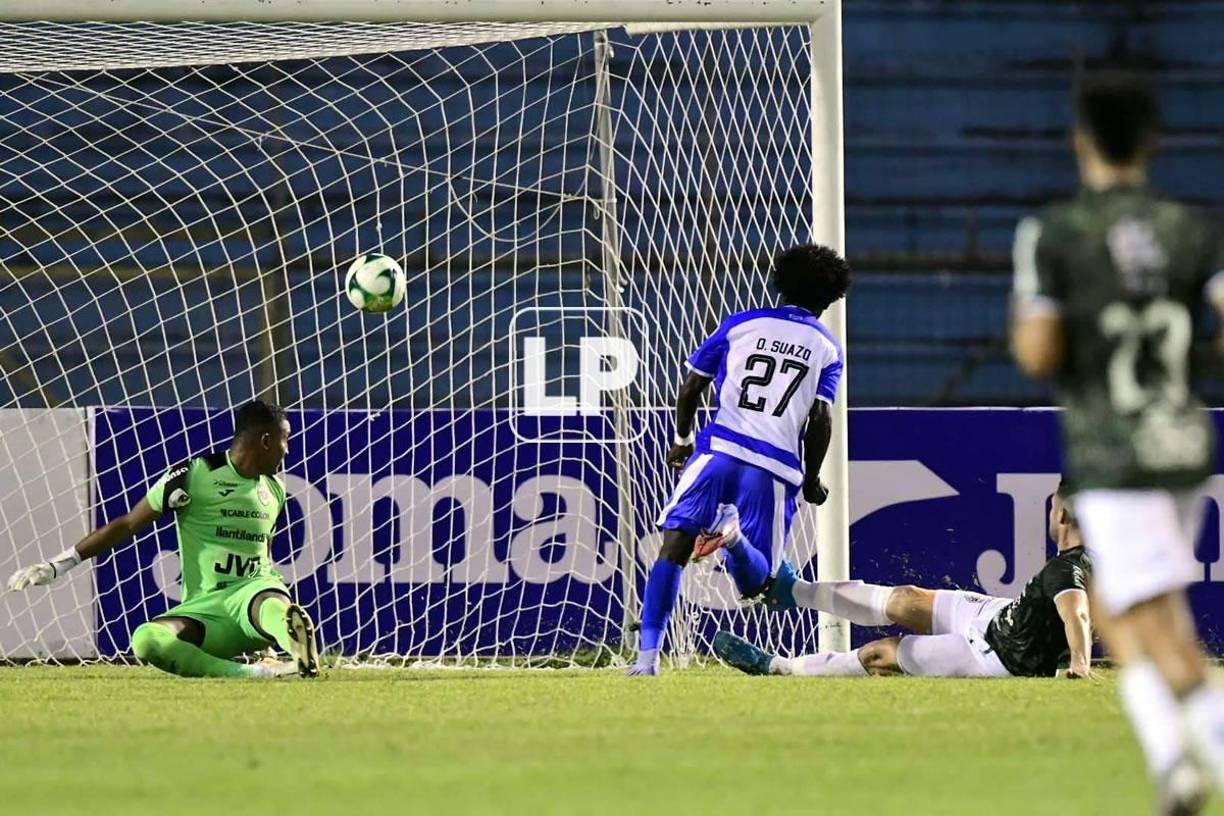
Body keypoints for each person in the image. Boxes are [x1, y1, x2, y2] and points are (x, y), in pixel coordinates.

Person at [1010, 68, 1224, 815]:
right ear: (1154, 143)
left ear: (1079, 143)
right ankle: (1175, 769)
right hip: (1183, 441)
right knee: (1134, 608)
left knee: (1140, 618)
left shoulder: (1056, 231)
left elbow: (1037, 352)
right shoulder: (1192, 230)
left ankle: (1198, 755)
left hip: (1112, 449)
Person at [626, 243, 850, 676]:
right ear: (829, 300)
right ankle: (734, 539)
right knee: (756, 584)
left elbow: (691, 387)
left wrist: (682, 439)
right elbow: (821, 418)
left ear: (780, 283)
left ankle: (646, 660)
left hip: (719, 450)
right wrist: (813, 476)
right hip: (773, 466)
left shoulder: (741, 324)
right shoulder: (828, 348)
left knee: (674, 546)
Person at [7, 399, 320, 679]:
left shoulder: (274, 488)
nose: (288, 450)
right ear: (266, 441)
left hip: (253, 595)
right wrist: (58, 565)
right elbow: (128, 524)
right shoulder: (193, 475)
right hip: (205, 610)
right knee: (147, 639)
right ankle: (257, 674)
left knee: (273, 606)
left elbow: (264, 550)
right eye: (285, 440)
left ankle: (291, 644)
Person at [714, 480, 1092, 679]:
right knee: (906, 598)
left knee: (880, 654)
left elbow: (1076, 614)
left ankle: (777, 667)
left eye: (1052, 506)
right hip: (1002, 618)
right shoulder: (1093, 563)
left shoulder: (1068, 568)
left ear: (1060, 517)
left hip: (998, 657)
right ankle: (791, 591)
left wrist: (1080, 663)